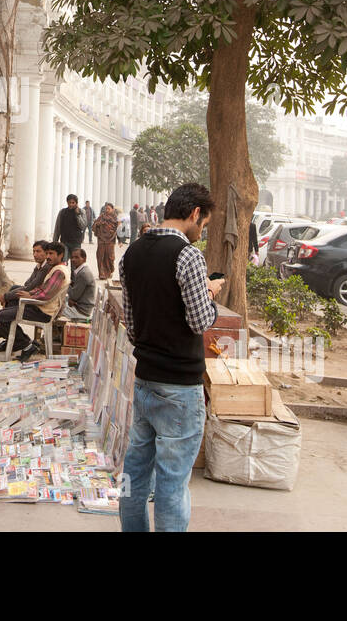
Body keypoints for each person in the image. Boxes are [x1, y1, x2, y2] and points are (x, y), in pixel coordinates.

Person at [118, 183, 225, 533]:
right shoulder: (188, 256)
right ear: (195, 214)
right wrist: (208, 293)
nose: (201, 231)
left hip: (146, 380)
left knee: (134, 477)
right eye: (204, 225)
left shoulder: (131, 254)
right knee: (172, 483)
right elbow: (199, 321)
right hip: (179, 386)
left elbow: (132, 326)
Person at [0, 241, 70, 360]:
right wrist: (29, 294)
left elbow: (45, 294)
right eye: (48, 253)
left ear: (60, 255)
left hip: (43, 311)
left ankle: (26, 344)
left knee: (3, 316)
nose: (48, 256)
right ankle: (14, 340)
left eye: (51, 254)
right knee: (10, 306)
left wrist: (30, 296)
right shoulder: (55, 268)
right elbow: (39, 288)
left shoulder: (59, 271)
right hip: (40, 306)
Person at [1, 239, 49, 305]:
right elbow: (27, 283)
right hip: (31, 291)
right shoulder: (39, 265)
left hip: (36, 296)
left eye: (38, 251)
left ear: (46, 253)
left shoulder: (46, 267)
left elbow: (32, 286)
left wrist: (5, 296)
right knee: (14, 288)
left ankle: (7, 310)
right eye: (34, 251)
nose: (35, 255)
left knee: (12, 299)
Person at [61, 247, 96, 321]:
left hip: (81, 311)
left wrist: (66, 282)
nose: (73, 260)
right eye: (72, 257)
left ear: (84, 259)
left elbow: (73, 295)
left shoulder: (83, 273)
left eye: (77, 257)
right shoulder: (81, 270)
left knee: (54, 309)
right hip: (80, 307)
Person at [53, 194, 86, 258]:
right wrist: (55, 242)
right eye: (69, 203)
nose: (71, 204)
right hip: (64, 242)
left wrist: (78, 215)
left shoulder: (81, 212)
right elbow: (57, 228)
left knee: (75, 263)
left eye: (73, 203)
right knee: (63, 261)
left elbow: (83, 226)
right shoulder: (62, 212)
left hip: (76, 243)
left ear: (76, 203)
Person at [93, 202, 119, 280]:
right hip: (101, 239)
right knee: (100, 256)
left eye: (109, 209)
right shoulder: (101, 217)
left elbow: (118, 229)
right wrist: (99, 224)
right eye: (106, 209)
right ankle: (102, 273)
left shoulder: (115, 218)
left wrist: (120, 240)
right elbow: (94, 225)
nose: (107, 210)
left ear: (112, 209)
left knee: (110, 257)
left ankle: (109, 271)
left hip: (110, 240)